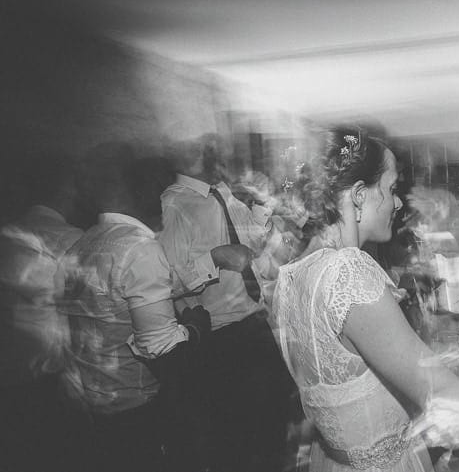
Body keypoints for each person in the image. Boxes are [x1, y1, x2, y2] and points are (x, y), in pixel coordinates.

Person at [271, 127, 459, 471]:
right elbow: (458, 410)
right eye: (391, 189)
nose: (398, 203)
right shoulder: (348, 273)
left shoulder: (291, 275)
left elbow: (350, 385)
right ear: (357, 196)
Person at [59, 145, 210, 472]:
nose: (164, 191)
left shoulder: (78, 247)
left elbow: (111, 308)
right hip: (143, 409)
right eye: (159, 184)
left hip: (97, 410)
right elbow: (164, 352)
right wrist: (197, 326)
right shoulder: (138, 248)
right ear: (136, 189)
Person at [158, 133, 293, 472]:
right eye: (205, 146)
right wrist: (214, 259)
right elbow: (166, 283)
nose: (215, 151)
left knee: (274, 431)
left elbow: (253, 247)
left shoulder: (224, 192)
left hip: (255, 327)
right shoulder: (174, 204)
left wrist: (265, 210)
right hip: (222, 341)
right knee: (236, 445)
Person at [0, 152, 85, 472]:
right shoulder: (75, 240)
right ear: (66, 190)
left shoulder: (6, 234)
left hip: (10, 374)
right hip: (52, 377)